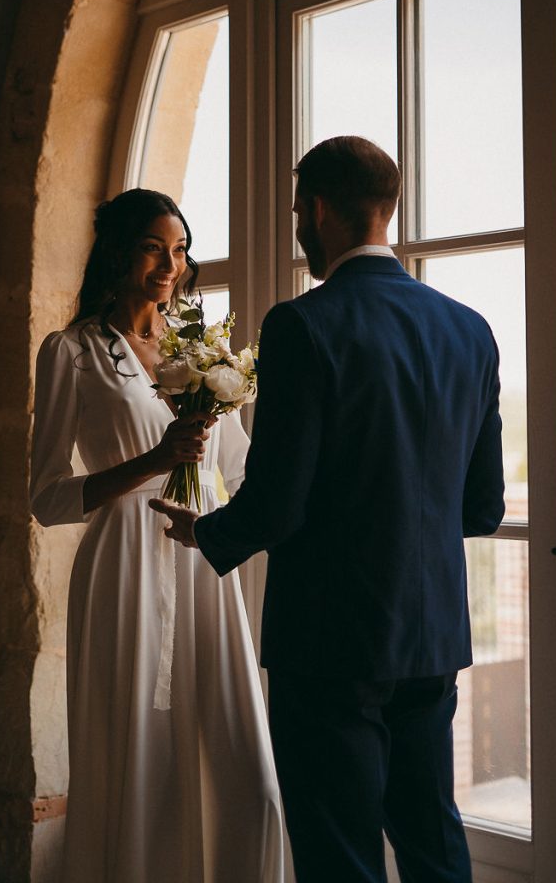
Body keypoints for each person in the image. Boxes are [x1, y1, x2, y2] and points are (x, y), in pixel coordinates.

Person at [152, 136, 505, 883]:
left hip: (328, 640)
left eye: (295, 212)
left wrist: (205, 531)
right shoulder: (470, 330)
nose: (297, 228)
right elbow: (483, 507)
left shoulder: (303, 325)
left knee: (339, 856)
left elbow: (279, 503)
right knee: (433, 840)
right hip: (431, 634)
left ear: (317, 211)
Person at [29, 188, 283, 883]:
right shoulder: (72, 351)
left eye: (179, 250)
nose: (170, 264)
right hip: (125, 566)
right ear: (116, 252)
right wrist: (153, 460)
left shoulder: (202, 349)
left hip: (204, 562)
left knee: (248, 775)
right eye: (151, 247)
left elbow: (236, 467)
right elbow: (48, 497)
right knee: (139, 758)